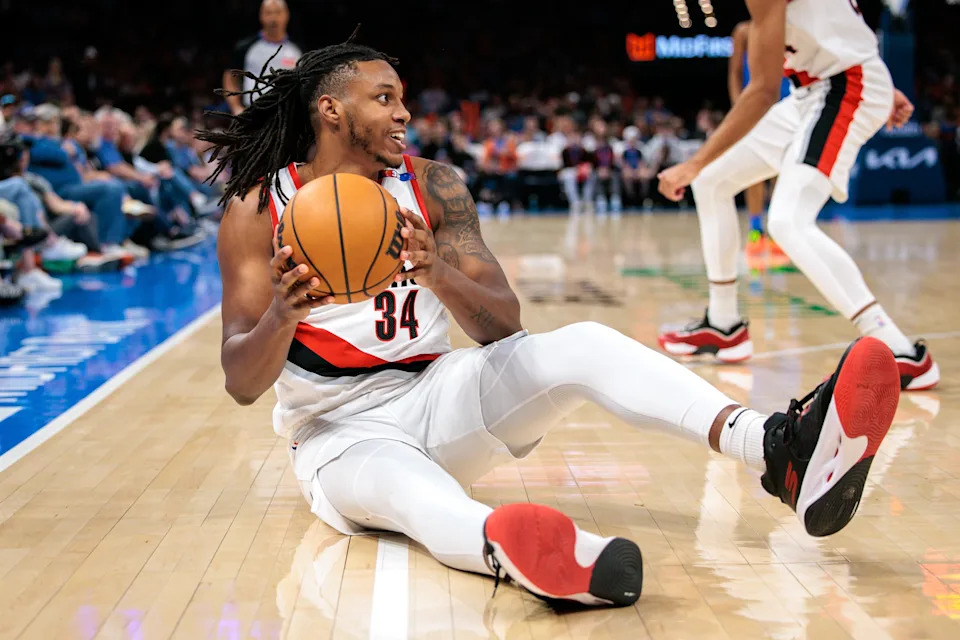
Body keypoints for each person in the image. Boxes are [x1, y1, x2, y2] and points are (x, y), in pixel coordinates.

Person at [199, 34, 901, 608]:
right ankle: (543, 554)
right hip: (337, 432)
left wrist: (435, 271)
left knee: (586, 344)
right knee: (408, 492)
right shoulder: (262, 206)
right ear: (330, 109)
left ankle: (776, 449)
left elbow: (505, 326)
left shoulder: (434, 184)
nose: (403, 114)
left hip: (439, 394)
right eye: (384, 99)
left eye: (403, 99)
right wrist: (285, 316)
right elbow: (241, 381)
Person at [657, 0, 939, 391]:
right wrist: (884, 82)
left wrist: (694, 161)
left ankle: (899, 351)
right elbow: (840, 19)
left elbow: (761, 91)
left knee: (788, 221)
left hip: (845, 86)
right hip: (817, 88)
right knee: (712, 182)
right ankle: (724, 326)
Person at [728, 20, 792, 270]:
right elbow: (734, 72)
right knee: (753, 171)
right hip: (753, 108)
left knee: (781, 172)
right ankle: (756, 230)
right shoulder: (743, 31)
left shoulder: (789, 27)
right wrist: (738, 107)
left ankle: (777, 231)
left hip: (786, 106)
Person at [223, 0, 302, 116]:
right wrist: (236, 107)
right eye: (269, 13)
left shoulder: (298, 49)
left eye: (278, 13)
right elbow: (230, 77)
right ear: (261, 16)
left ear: (286, 15)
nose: (274, 18)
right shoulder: (245, 47)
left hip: (288, 115)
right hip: (253, 113)